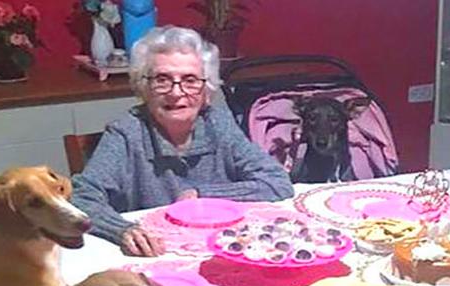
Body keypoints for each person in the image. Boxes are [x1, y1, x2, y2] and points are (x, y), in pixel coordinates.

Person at [72, 26, 294, 256]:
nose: (176, 93)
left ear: (206, 90)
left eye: (190, 80)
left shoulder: (218, 123)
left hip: (217, 247)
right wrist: (122, 230)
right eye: (162, 80)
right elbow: (81, 198)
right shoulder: (126, 133)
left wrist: (202, 195)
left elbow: (276, 182)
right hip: (153, 255)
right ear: (143, 87)